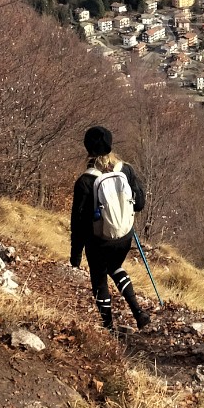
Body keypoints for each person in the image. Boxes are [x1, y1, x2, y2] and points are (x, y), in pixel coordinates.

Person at [70, 125, 150, 330]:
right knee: (115, 266)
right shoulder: (125, 169)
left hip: (99, 240)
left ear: (87, 148)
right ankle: (138, 313)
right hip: (124, 236)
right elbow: (139, 204)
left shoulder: (85, 181)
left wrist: (76, 255)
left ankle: (108, 327)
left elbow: (78, 223)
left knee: (99, 278)